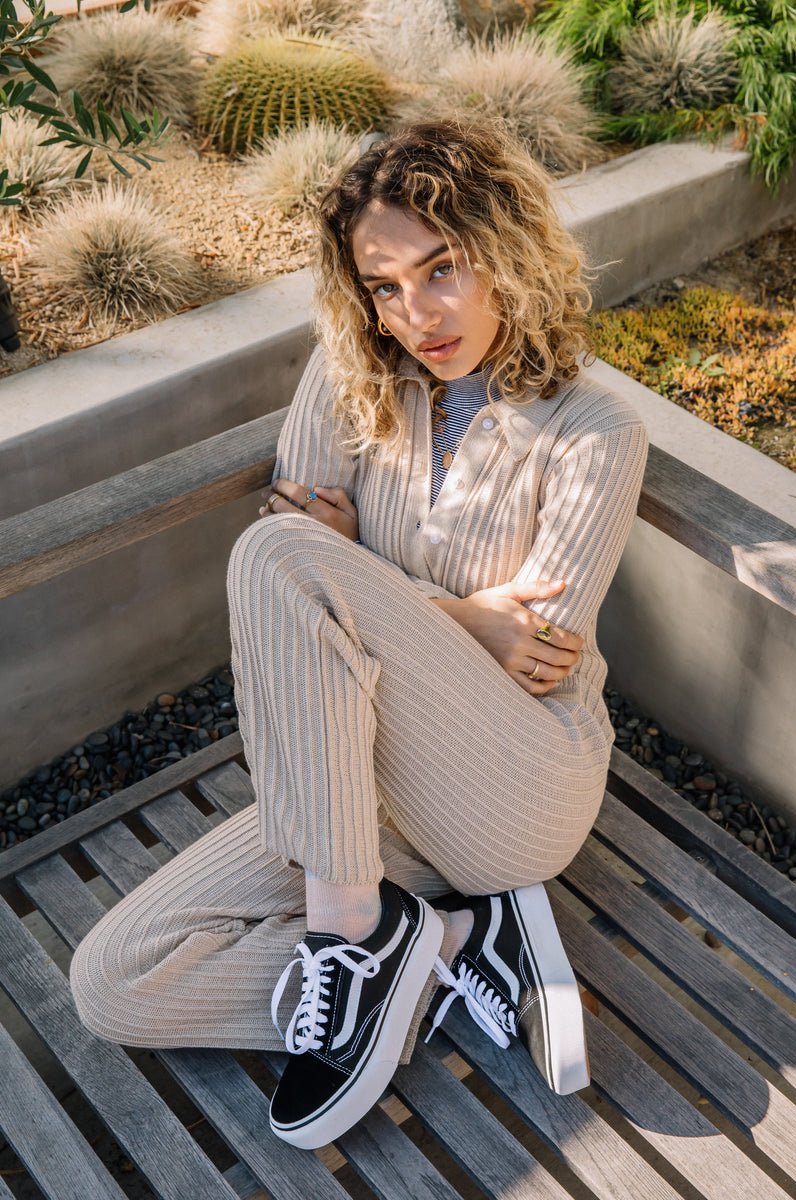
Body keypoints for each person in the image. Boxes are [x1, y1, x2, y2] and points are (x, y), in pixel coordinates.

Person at [70, 121, 648, 1150]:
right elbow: (307, 576)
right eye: (382, 286)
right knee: (112, 981)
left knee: (280, 559)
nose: (413, 313)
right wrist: (469, 614)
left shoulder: (592, 429)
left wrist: (364, 583)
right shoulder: (347, 380)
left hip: (517, 785)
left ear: (504, 249)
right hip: (361, 786)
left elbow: (533, 657)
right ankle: (442, 945)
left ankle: (356, 935)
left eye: (440, 269)